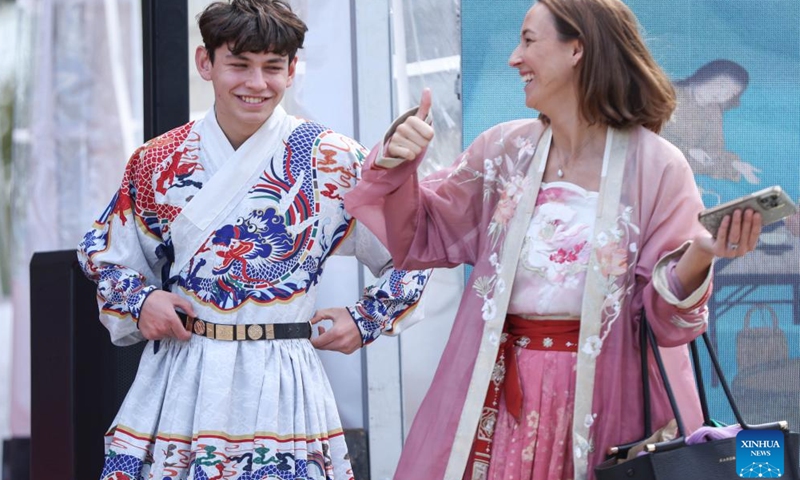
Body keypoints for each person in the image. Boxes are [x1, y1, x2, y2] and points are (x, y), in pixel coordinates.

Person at [345, 1, 764, 479]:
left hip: (607, 397)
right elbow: (421, 233)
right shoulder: (504, 151)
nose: (513, 58)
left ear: (577, 49)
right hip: (501, 395)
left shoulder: (657, 165)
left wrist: (703, 253)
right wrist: (400, 162)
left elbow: (667, 320)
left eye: (528, 40)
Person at [77, 1, 429, 478]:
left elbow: (415, 248)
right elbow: (103, 253)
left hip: (284, 378)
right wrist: (142, 302)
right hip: (184, 376)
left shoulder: (333, 159)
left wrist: (366, 317)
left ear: (292, 69)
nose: (256, 83)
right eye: (239, 65)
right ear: (206, 63)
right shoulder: (156, 161)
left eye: (272, 67)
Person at [660, 59, 757, 183]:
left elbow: (710, 153)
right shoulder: (666, 92)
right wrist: (688, 150)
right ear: (706, 75)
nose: (722, 94)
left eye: (731, 93)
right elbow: (644, 135)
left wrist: (733, 164)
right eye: (721, 85)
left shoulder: (713, 112)